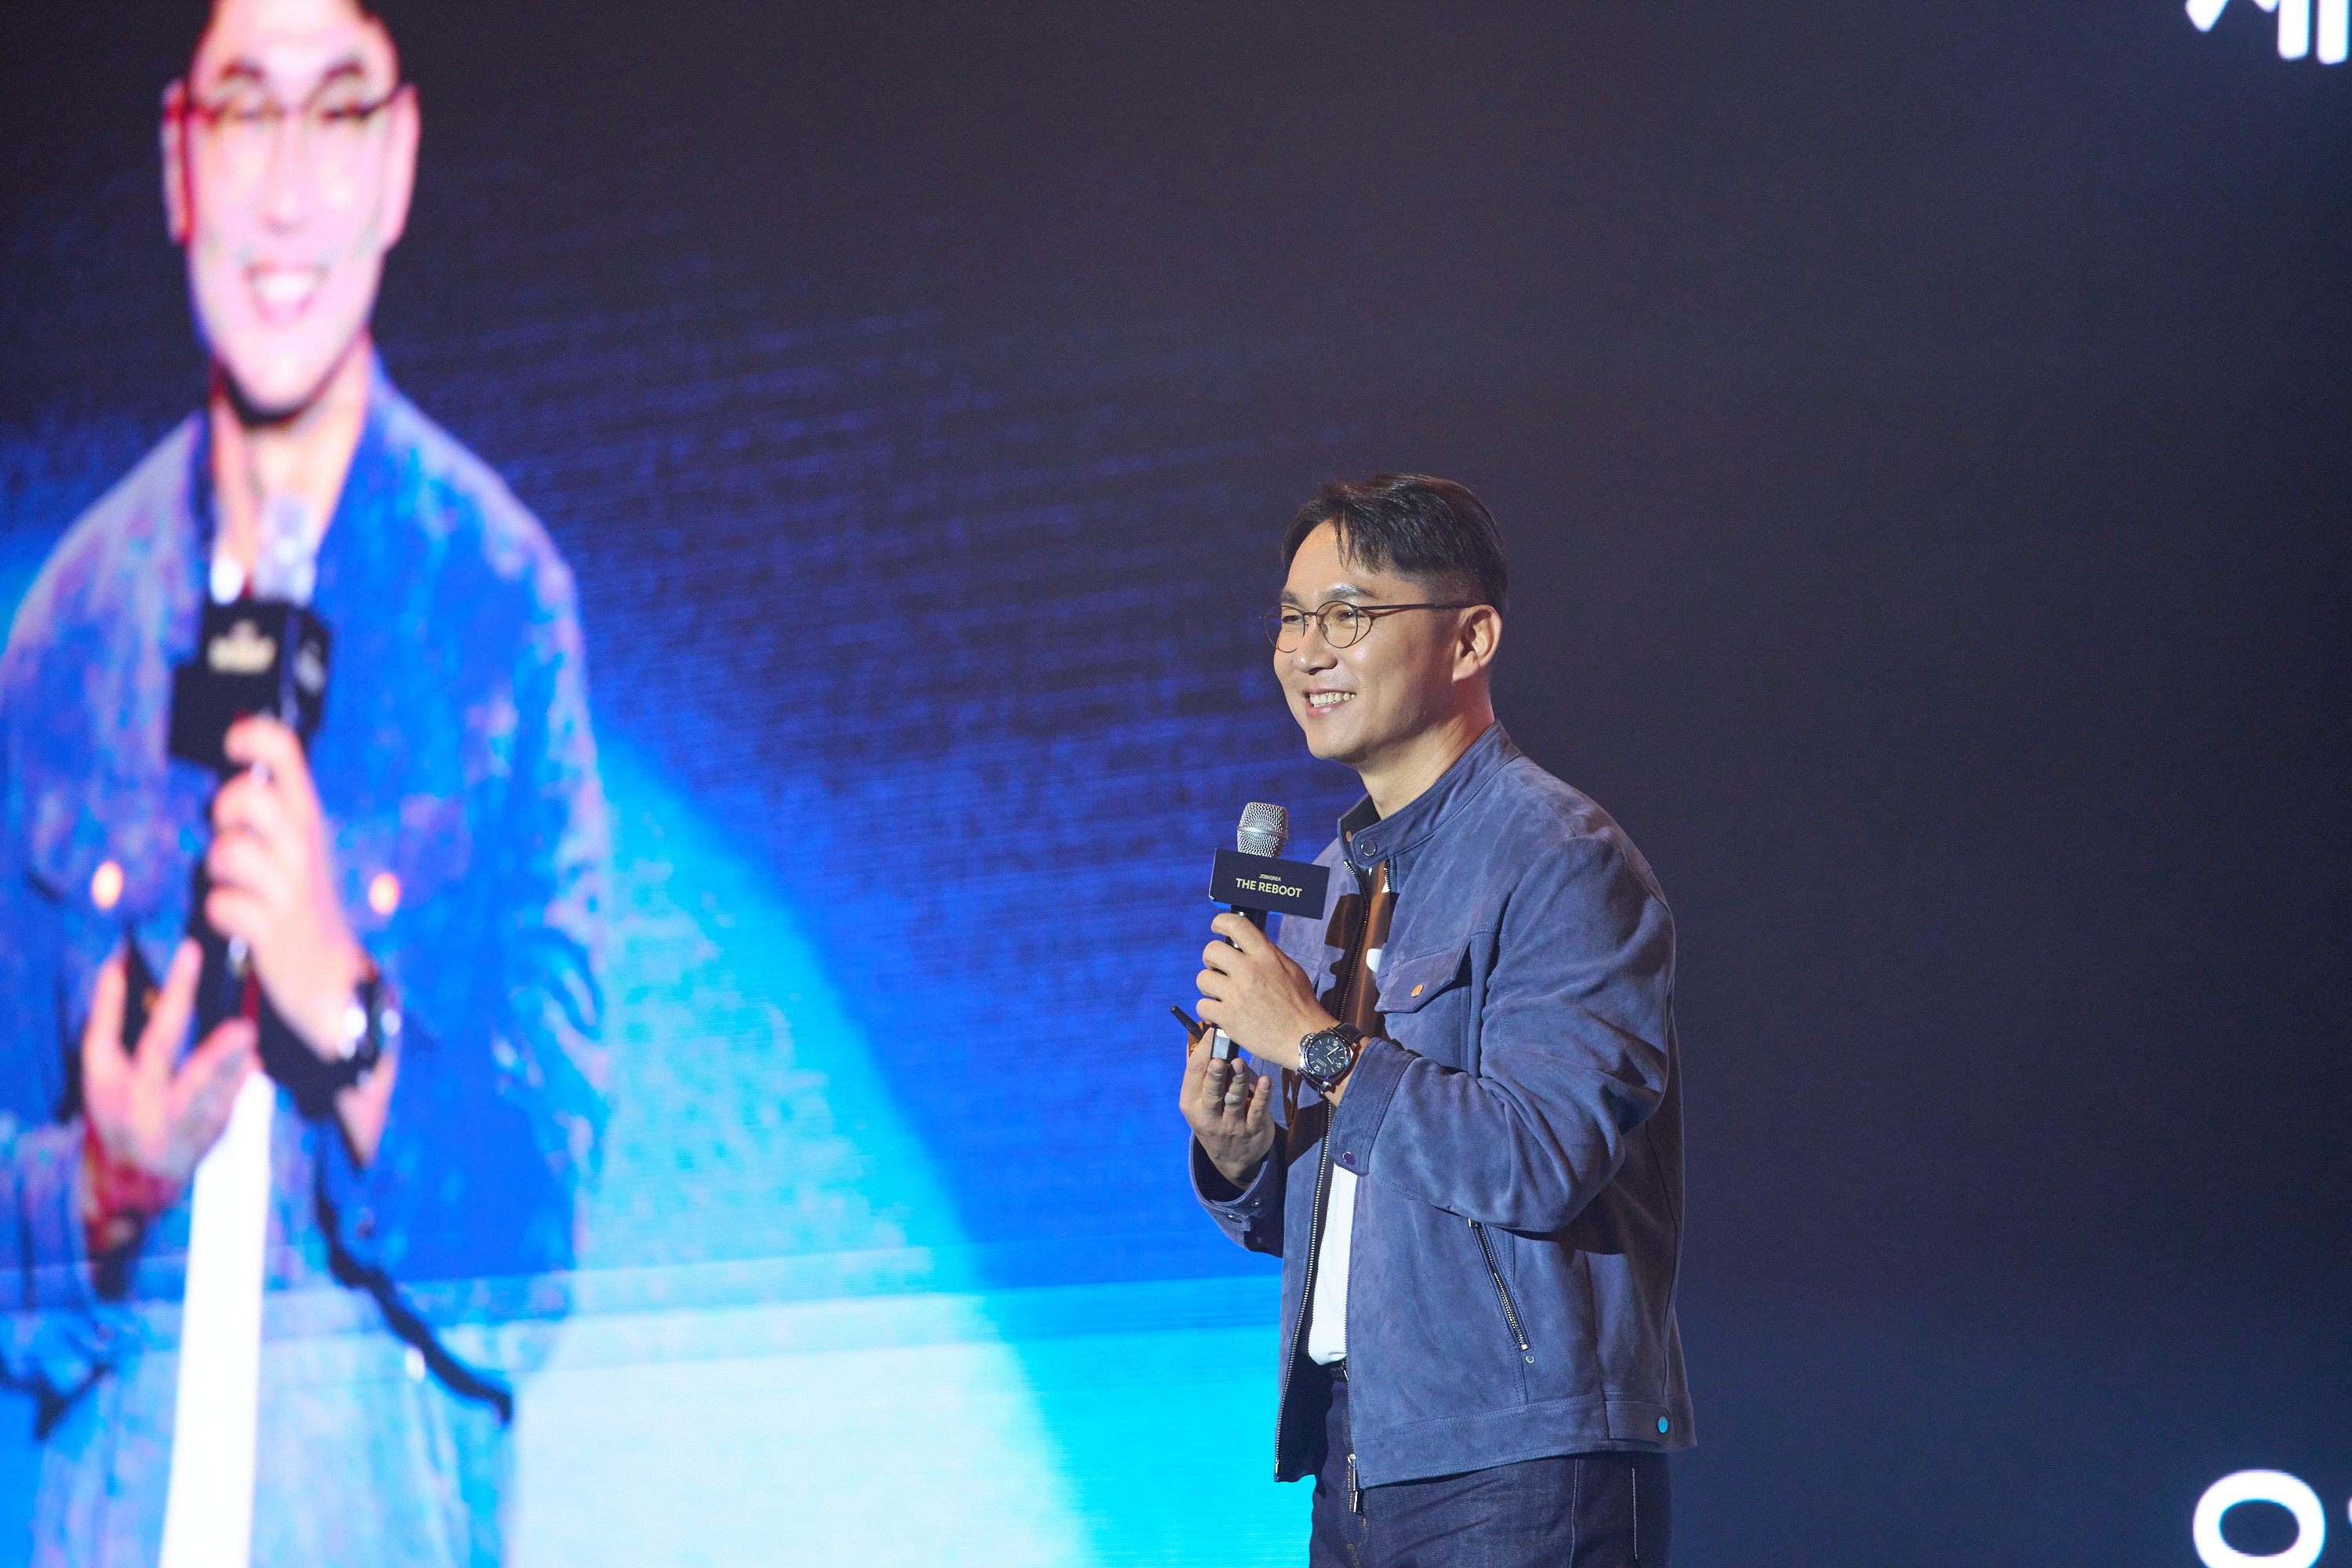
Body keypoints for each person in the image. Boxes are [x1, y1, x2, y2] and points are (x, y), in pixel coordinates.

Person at [0, 0, 607, 1560]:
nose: (285, 192)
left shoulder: (499, 611)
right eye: (242, 111)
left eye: (334, 113)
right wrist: (101, 1189)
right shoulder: (70, 635)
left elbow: (535, 1266)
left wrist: (347, 1015)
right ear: (177, 161)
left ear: (396, 161)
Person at [1183, 474, 1690, 1566]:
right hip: (1358, 1454)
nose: (1306, 652)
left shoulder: (1561, 858)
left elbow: (1541, 1160)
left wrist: (1316, 1045)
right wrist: (1242, 1159)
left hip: (1521, 1457)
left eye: (1347, 616)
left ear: (1470, 640)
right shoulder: (1329, 881)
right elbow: (1367, 1206)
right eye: (1292, 618)